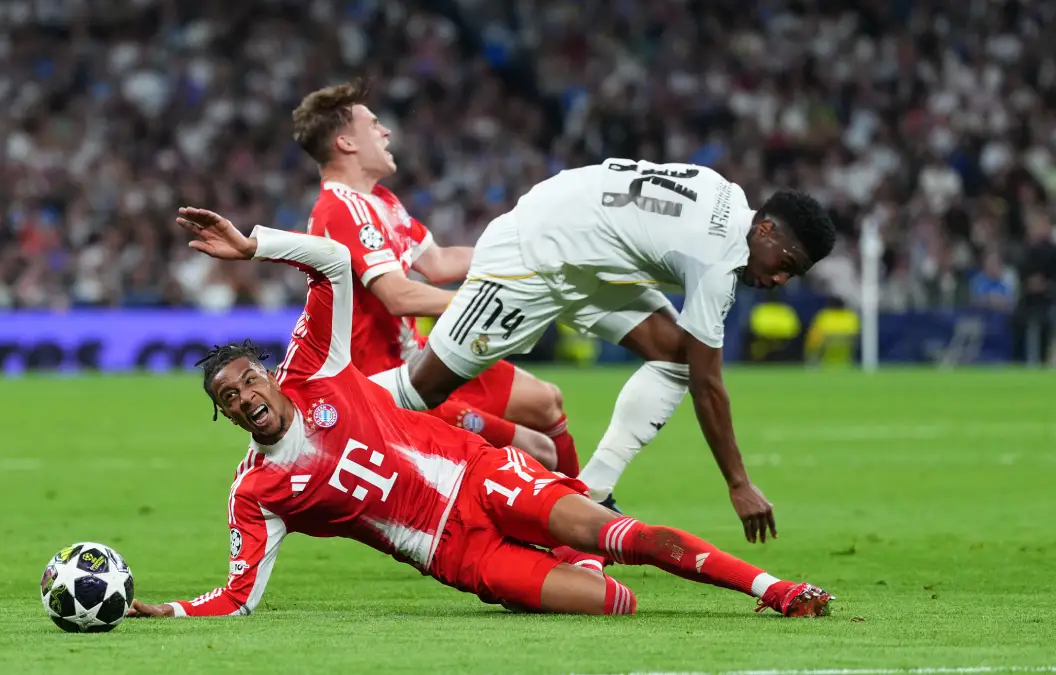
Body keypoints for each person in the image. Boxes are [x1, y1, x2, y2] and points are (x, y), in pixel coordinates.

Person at [126, 206, 834, 619]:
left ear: (267, 374)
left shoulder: (316, 368)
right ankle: (573, 555)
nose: (247, 398)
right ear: (227, 416)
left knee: (627, 537)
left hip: (481, 478)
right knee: (615, 603)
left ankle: (776, 589)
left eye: (248, 380)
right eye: (231, 399)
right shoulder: (255, 492)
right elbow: (240, 595)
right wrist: (172, 612)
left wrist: (256, 245)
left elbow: (337, 262)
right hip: (459, 554)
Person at [372, 159, 837, 538]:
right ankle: (315, 403)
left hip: (585, 256)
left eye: (792, 276)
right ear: (766, 231)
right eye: (786, 265)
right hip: (533, 256)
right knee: (423, 388)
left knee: (674, 355)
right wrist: (739, 484)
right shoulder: (718, 261)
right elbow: (708, 386)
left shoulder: (729, 196)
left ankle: (593, 488)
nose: (779, 280)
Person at [286, 80, 579, 475]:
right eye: (373, 124)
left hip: (419, 353)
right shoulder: (340, 210)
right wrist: (485, 303)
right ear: (346, 143)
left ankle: (591, 509)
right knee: (538, 452)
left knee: (546, 400)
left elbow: (439, 262)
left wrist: (529, 256)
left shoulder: (381, 201)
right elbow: (398, 296)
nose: (385, 131)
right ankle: (577, 524)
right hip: (386, 382)